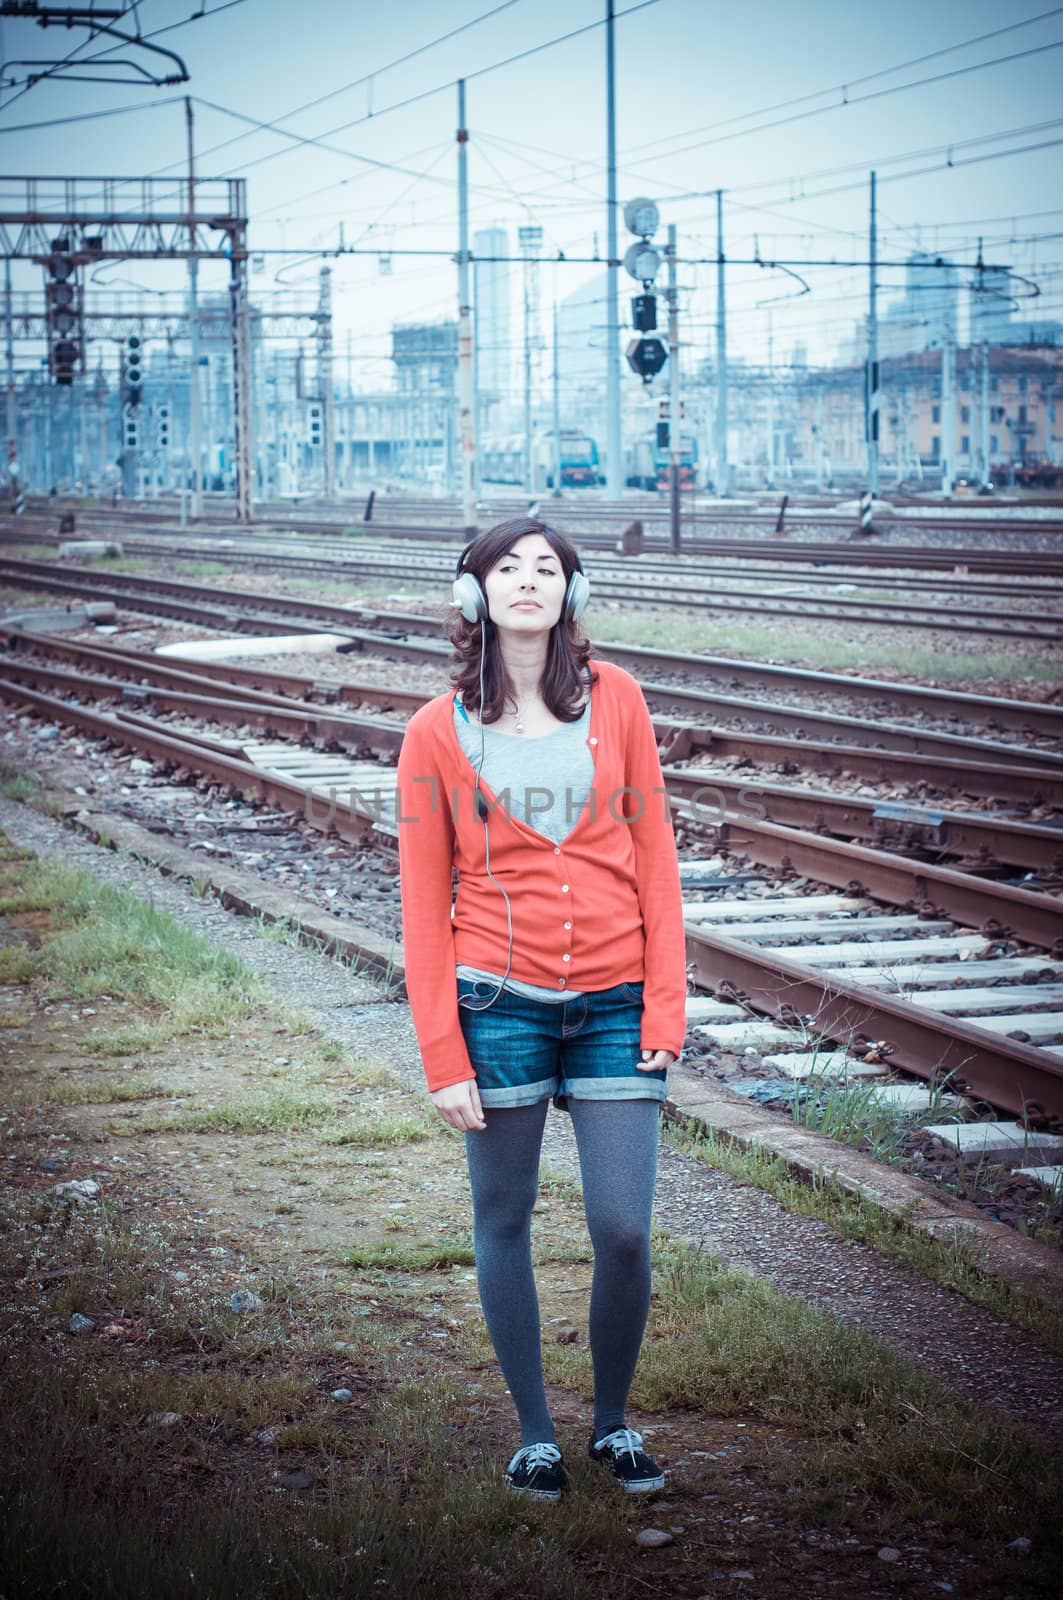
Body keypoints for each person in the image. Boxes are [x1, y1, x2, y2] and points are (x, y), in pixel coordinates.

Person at [396, 516, 687, 1502]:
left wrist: (665, 1007)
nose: (529, 582)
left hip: (613, 1001)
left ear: (573, 589)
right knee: (505, 1215)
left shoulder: (622, 703)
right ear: (474, 594)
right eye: (507, 568)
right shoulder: (435, 732)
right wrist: (443, 1053)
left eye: (547, 568)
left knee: (623, 1229)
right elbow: (421, 905)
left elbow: (657, 866)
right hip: (496, 1005)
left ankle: (611, 1423)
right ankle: (534, 1434)